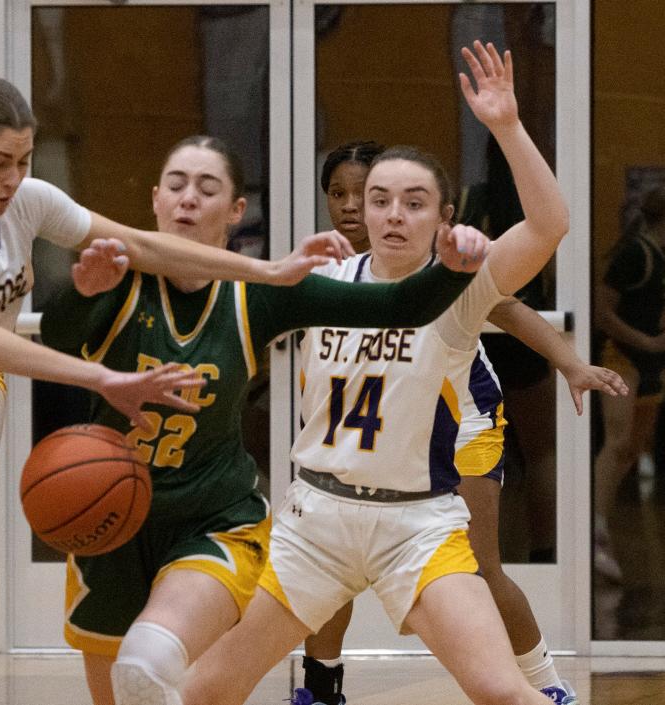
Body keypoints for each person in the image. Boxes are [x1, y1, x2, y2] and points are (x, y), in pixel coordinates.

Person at [0, 74, 359, 705]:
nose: (13, 179)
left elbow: (144, 245)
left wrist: (267, 271)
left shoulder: (27, 204)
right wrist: (103, 377)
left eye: (24, 161)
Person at [181, 41, 569, 705]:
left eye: (414, 202)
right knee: (201, 690)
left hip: (415, 529)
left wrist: (503, 126)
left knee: (498, 689)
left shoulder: (457, 292)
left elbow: (549, 223)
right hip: (316, 522)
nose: (393, 214)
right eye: (380, 199)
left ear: (444, 218)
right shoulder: (321, 280)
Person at [39, 134, 490, 705]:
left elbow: (396, 307)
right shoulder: (118, 279)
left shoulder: (256, 294)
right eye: (176, 186)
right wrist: (79, 293)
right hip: (113, 519)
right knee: (136, 691)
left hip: (211, 518)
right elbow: (56, 343)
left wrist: (451, 270)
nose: (187, 200)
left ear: (234, 212)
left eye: (207, 189)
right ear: (155, 200)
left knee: (147, 665)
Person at [296, 142, 625, 705]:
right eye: (341, 194)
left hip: (459, 426)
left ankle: (546, 684)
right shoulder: (322, 271)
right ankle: (320, 690)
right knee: (329, 564)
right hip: (368, 439)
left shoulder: (446, 264)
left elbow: (510, 306)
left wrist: (569, 361)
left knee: (478, 566)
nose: (352, 207)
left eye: (365, 193)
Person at [594, 184, 665, 585]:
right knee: (618, 442)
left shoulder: (659, 254)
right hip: (621, 356)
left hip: (651, 364)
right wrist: (646, 342)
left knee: (634, 451)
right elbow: (602, 311)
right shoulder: (634, 253)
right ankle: (593, 529)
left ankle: (596, 522)